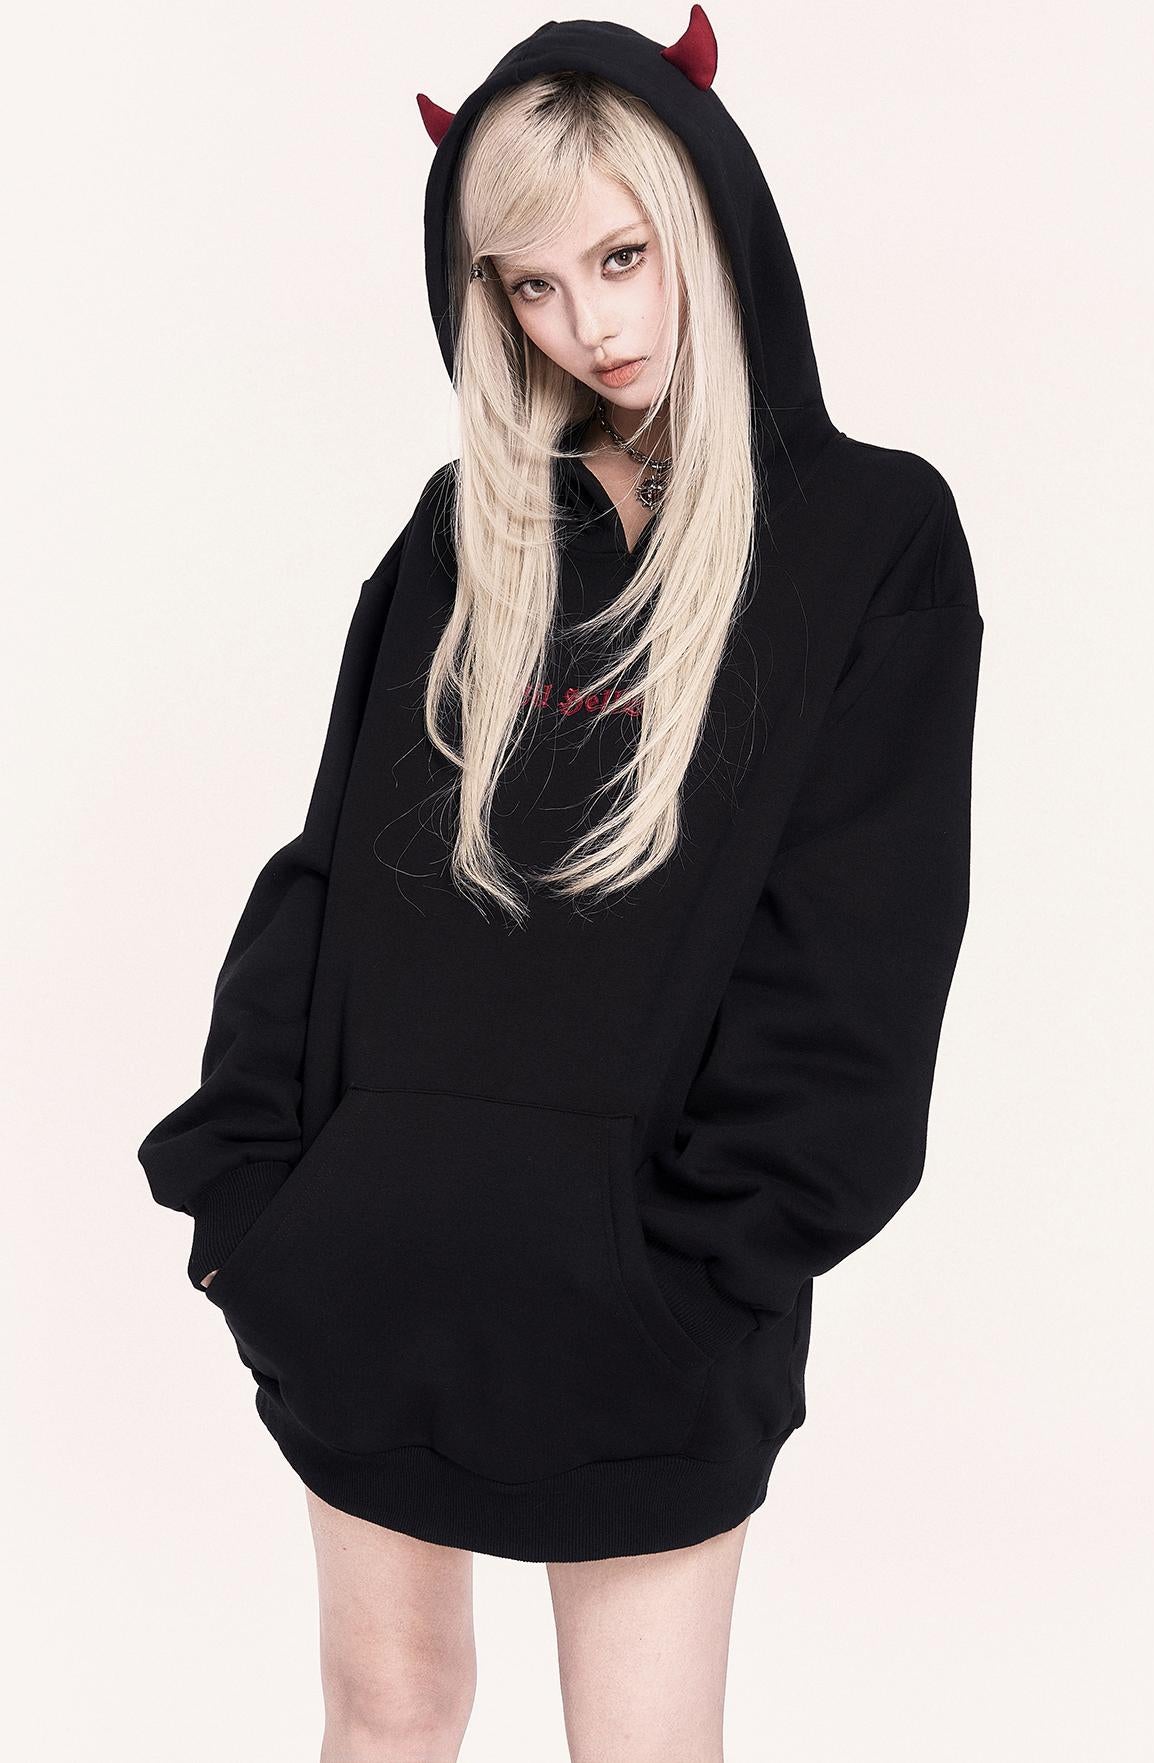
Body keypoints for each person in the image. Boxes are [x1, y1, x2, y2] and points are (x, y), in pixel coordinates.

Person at [137, 9, 984, 1759]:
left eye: (621, 256)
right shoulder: (466, 530)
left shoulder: (869, 539)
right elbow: (324, 884)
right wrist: (257, 1205)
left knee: (642, 1743)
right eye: (531, 283)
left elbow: (862, 962)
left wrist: (702, 1267)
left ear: (713, 217)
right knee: (387, 1710)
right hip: (370, 1274)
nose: (590, 326)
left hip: (650, 1309)